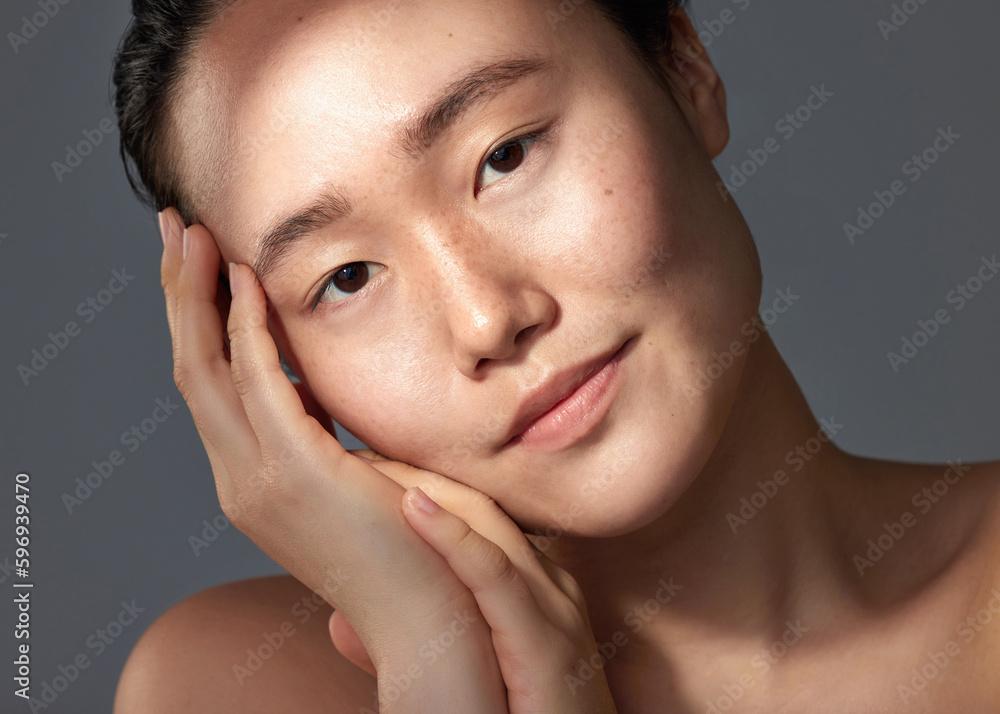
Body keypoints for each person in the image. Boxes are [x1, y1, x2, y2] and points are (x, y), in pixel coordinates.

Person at [109, 0, 1000, 711]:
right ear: (268, 367)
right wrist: (436, 665)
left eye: (504, 155)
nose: (486, 318)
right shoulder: (228, 687)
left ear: (683, 69)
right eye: (345, 278)